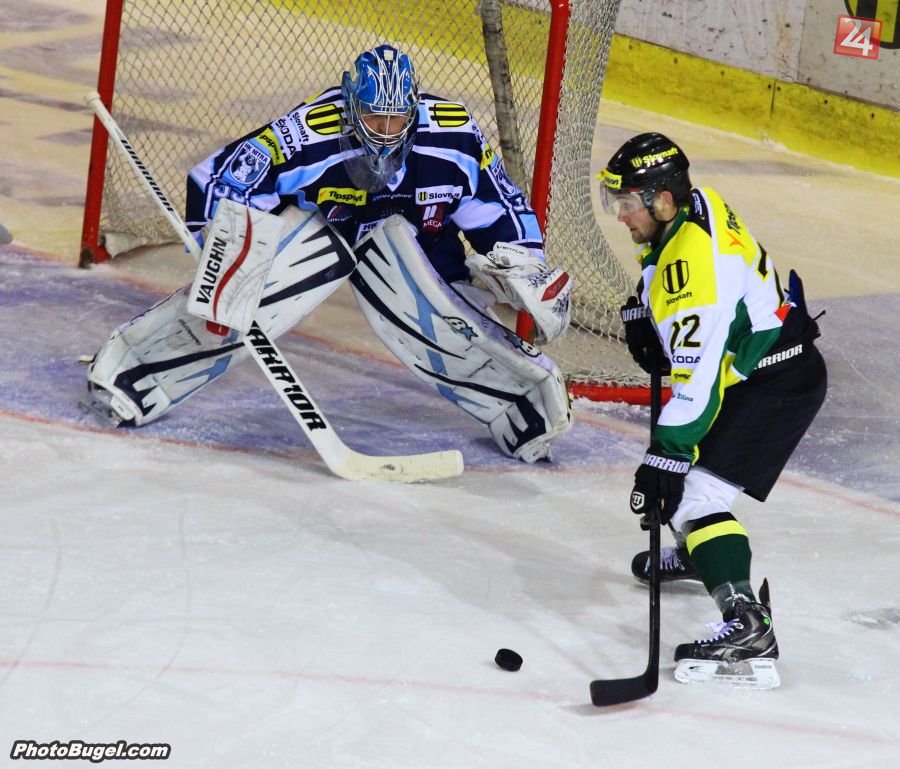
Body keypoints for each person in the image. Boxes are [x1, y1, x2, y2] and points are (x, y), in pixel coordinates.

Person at [86, 45, 573, 463]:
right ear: (350, 105)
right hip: (324, 230)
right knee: (237, 301)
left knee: (452, 326)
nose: (386, 130)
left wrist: (524, 261)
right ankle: (129, 372)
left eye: (397, 118)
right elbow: (221, 179)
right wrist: (230, 256)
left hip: (420, 242)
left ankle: (525, 407)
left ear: (414, 110)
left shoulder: (454, 137)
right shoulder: (307, 134)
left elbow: (499, 202)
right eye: (374, 116)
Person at [597, 132, 827, 680]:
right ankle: (701, 549)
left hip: (776, 384)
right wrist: (651, 310)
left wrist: (666, 456)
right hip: (761, 366)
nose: (621, 216)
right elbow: (694, 290)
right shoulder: (696, 205)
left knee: (690, 494)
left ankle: (748, 625)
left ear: (662, 200)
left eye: (628, 204)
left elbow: (697, 383)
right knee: (681, 485)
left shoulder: (693, 269)